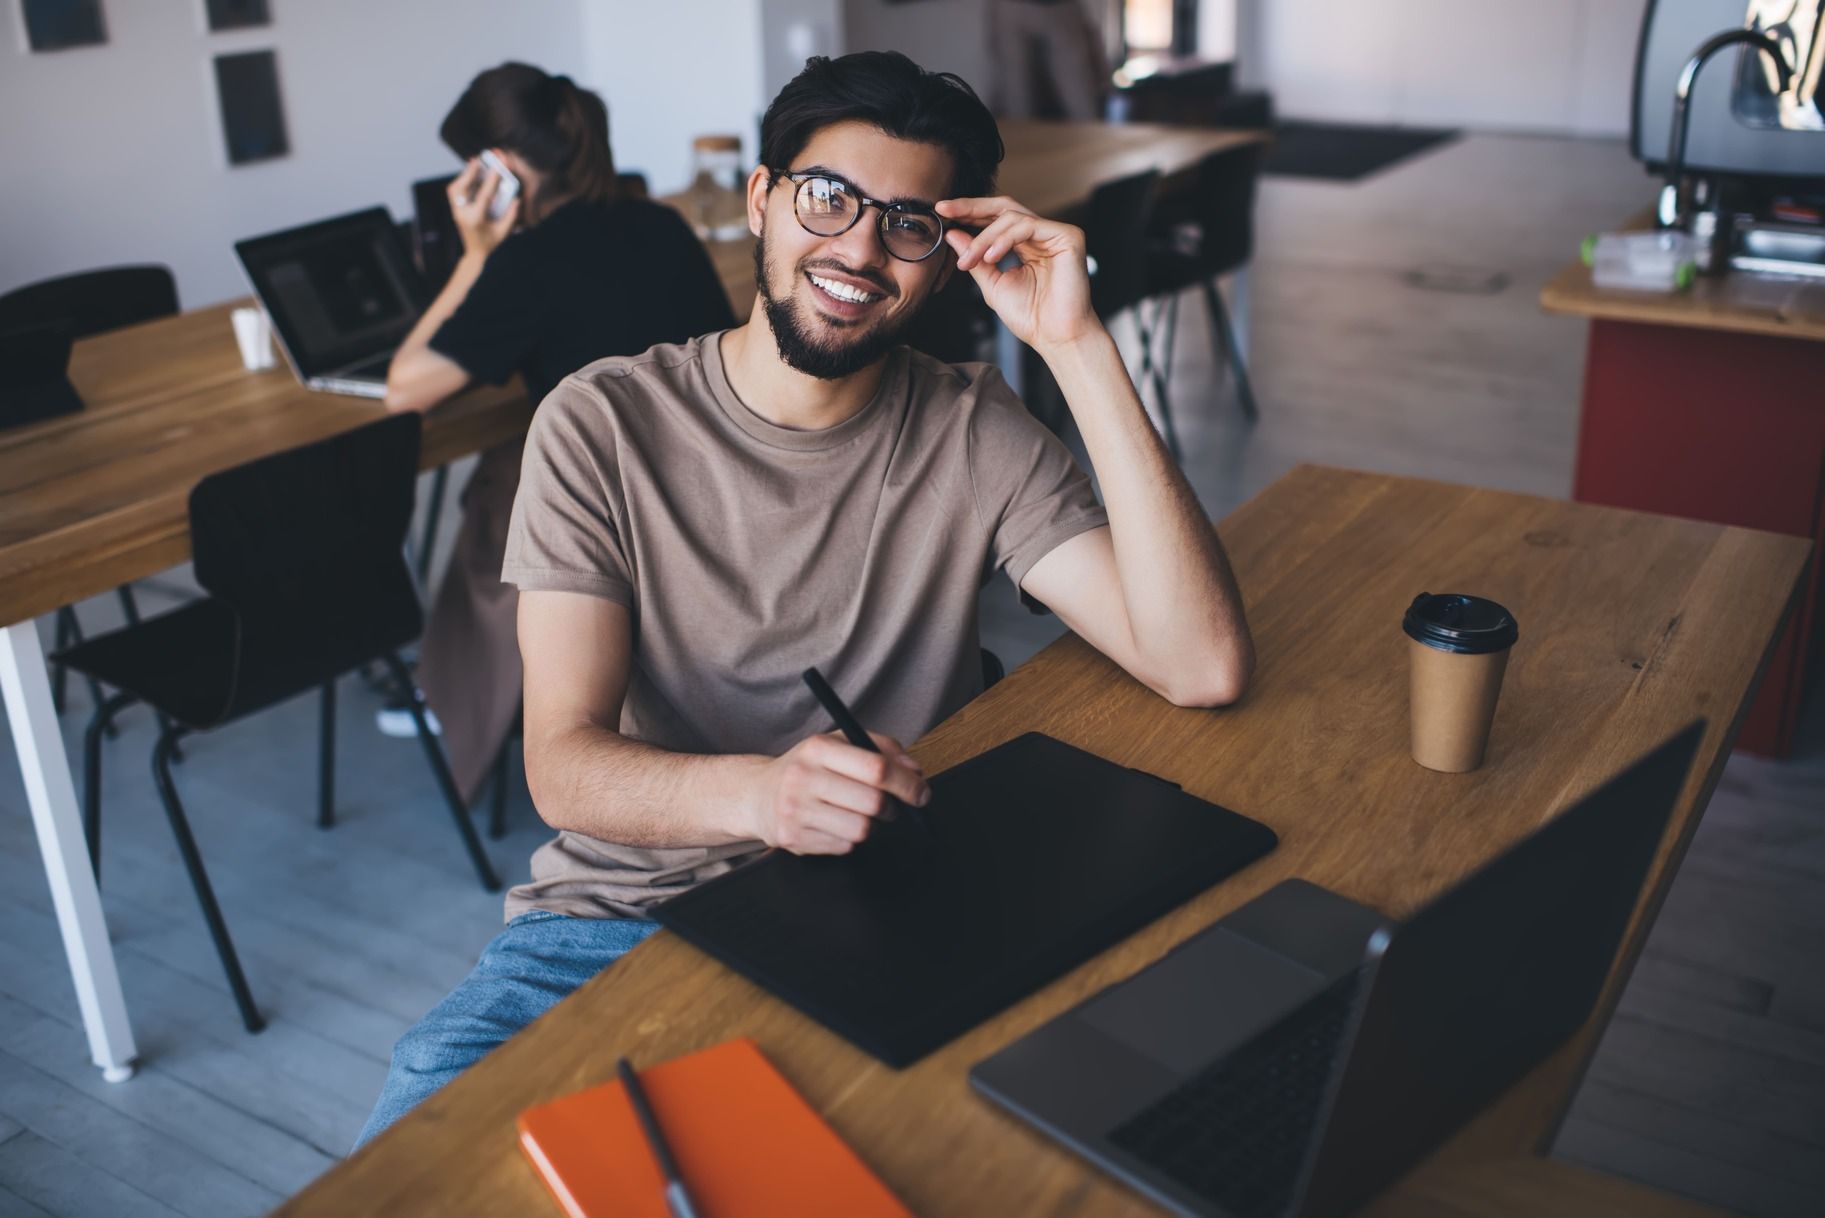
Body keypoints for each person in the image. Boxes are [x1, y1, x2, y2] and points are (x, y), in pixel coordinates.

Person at [355, 50, 1251, 1145]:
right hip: (625, 916)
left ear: (946, 256)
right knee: (419, 1117)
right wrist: (764, 799)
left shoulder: (971, 429)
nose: (859, 251)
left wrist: (1074, 344)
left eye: (907, 223)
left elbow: (1199, 665)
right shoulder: (599, 424)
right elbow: (561, 765)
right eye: (829, 199)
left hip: (883, 902)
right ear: (761, 201)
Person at [380, 62, 735, 804]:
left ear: (496, 170)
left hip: (610, 511)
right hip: (706, 489)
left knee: (490, 501)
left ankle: (456, 695)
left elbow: (403, 388)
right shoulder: (660, 222)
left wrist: (476, 253)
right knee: (501, 473)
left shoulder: (525, 263)